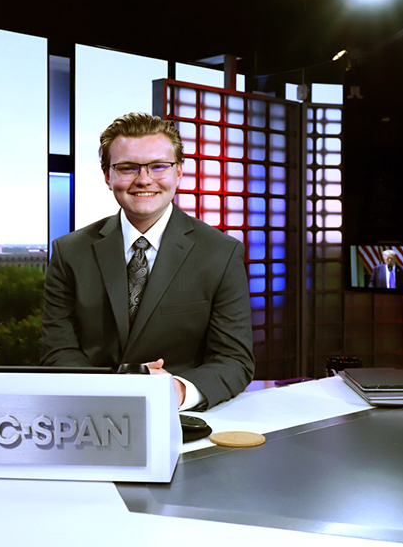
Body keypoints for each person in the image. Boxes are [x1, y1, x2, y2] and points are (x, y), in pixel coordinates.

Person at [41, 112, 255, 411]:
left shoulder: (221, 253)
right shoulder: (69, 252)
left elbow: (234, 360)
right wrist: (115, 387)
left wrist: (177, 390)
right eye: (127, 168)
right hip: (89, 414)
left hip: (180, 421)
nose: (143, 179)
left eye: (158, 166)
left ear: (178, 171)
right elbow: (57, 352)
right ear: (108, 176)